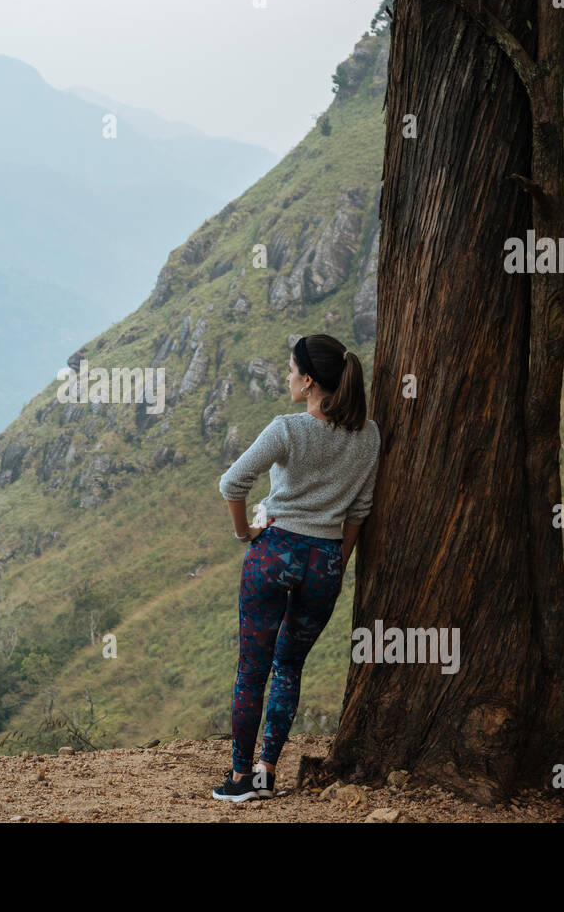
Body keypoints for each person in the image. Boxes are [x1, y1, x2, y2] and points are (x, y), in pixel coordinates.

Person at [212, 333, 380, 802]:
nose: (287, 377)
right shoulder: (369, 435)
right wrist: (336, 561)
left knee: (252, 669)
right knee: (289, 666)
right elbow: (359, 512)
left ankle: (241, 779)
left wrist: (245, 533)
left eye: (290, 371)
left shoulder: (287, 429)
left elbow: (232, 482)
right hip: (324, 561)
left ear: (308, 382)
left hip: (275, 553)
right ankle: (267, 770)